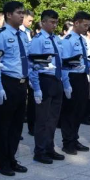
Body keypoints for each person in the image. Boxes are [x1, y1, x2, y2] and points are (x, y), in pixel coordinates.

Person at [0, 1, 30, 176]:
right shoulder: (0, 36)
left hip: (21, 83)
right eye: (19, 12)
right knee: (4, 125)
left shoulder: (24, 35)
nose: (22, 16)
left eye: (23, 13)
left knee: (16, 125)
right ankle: (1, 162)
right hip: (7, 83)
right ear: (8, 15)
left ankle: (11, 158)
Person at [28, 10, 69, 164]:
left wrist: (65, 83)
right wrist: (36, 87)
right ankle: (39, 151)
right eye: (51, 22)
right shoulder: (37, 40)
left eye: (56, 22)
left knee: (53, 119)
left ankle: (49, 148)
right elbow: (33, 65)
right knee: (42, 119)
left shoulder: (57, 39)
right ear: (43, 22)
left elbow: (61, 62)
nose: (54, 25)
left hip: (56, 80)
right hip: (44, 80)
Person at [59, 11, 90, 154]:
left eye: (88, 25)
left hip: (82, 76)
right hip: (72, 77)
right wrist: (66, 84)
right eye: (84, 25)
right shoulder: (68, 40)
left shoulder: (82, 39)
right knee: (70, 111)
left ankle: (74, 138)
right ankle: (67, 142)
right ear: (76, 23)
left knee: (79, 110)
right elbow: (64, 64)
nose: (87, 28)